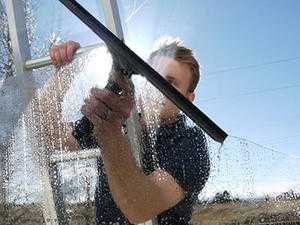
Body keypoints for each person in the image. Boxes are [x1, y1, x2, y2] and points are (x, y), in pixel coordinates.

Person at [42, 38, 210, 224]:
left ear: (189, 98)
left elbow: (139, 207)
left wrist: (109, 131)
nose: (158, 88)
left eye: (170, 83)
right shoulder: (119, 121)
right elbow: (51, 134)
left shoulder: (191, 142)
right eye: (153, 77)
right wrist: (65, 70)